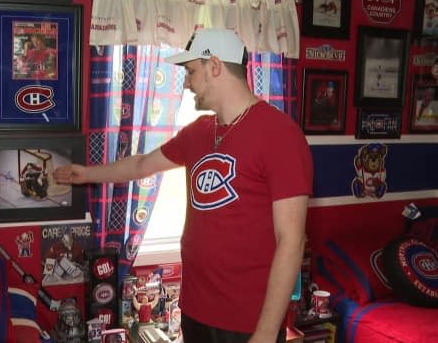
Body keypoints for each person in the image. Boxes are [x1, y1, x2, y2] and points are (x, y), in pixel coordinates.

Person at [53, 28, 313, 343]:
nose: (186, 82)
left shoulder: (280, 135)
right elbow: (141, 165)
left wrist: (267, 333)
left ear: (214, 66)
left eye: (191, 71)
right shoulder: (198, 132)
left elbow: (291, 242)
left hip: (249, 323)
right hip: (194, 312)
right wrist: (86, 174)